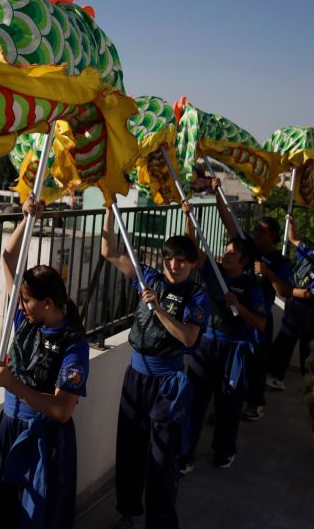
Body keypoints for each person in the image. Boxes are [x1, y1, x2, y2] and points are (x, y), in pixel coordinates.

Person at [102, 206, 210, 529]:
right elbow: (109, 251)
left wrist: (159, 309)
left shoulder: (196, 295)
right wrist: (109, 207)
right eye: (168, 259)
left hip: (167, 382)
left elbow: (189, 338)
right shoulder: (148, 275)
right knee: (130, 447)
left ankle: (160, 522)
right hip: (136, 374)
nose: (173, 266)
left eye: (181, 261)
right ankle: (128, 511)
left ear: (192, 263)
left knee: (163, 458)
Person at [0, 197, 90, 529]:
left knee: (37, 517)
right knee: (3, 510)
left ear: (47, 303)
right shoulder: (26, 320)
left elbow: (61, 409)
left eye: (26, 299)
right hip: (10, 426)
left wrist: (12, 384)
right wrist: (25, 219)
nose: (20, 303)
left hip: (44, 437)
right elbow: (7, 257)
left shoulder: (73, 343)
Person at [202, 183, 294, 421]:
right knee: (231, 362)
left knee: (256, 360)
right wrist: (217, 193)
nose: (257, 233)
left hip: (258, 314)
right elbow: (228, 221)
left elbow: (286, 291)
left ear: (274, 235)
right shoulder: (247, 247)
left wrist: (267, 272)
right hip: (235, 311)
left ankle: (255, 401)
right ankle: (225, 404)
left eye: (263, 231)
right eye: (256, 229)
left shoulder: (280, 261)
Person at [183, 235, 266, 470]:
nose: (226, 256)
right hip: (206, 344)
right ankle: (185, 454)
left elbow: (261, 324)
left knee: (228, 403)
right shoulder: (214, 272)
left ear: (244, 261)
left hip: (234, 350)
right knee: (194, 403)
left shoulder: (251, 287)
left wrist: (239, 306)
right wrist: (189, 216)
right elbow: (192, 249)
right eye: (226, 251)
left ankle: (224, 451)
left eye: (233, 254)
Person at [266, 214, 314, 391]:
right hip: (292, 313)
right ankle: (276, 378)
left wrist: (287, 290)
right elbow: (294, 239)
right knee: (282, 347)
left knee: (308, 354)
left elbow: (309, 294)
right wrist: (292, 222)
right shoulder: (308, 256)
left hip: (309, 320)